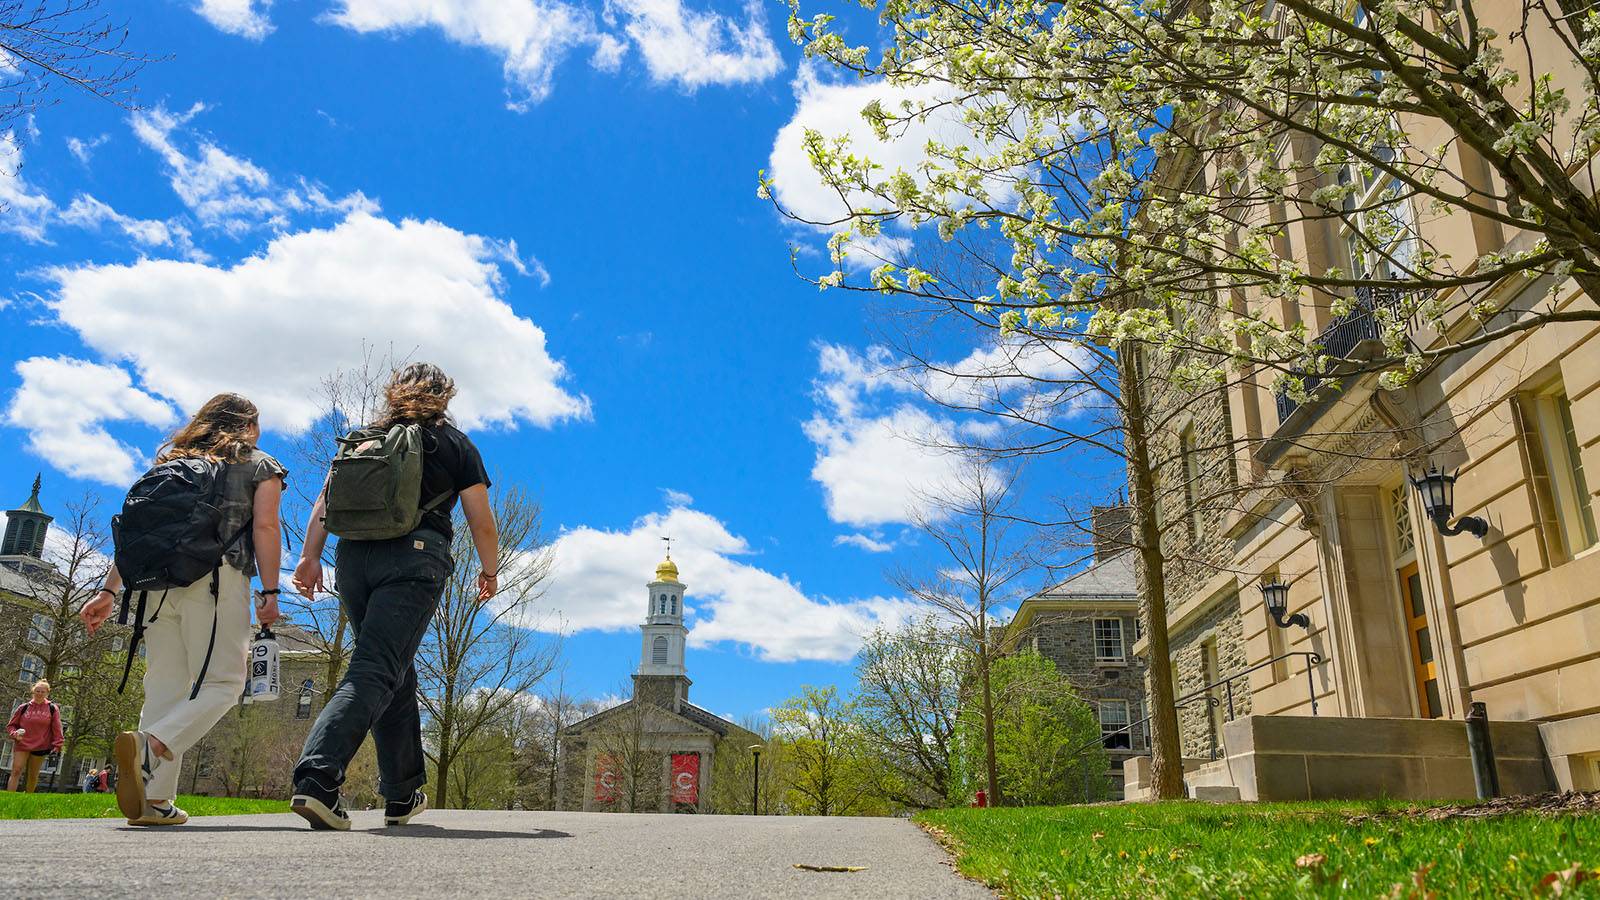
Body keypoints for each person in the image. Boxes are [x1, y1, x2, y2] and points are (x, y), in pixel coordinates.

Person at [290, 363, 498, 830]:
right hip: (414, 557)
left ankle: (402, 793)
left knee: (393, 667)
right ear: (445, 396)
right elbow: (480, 519)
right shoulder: (454, 443)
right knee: (375, 667)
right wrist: (490, 570)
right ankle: (317, 778)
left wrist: (309, 558)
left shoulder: (362, 438)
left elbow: (324, 503)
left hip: (353, 562)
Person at [80, 393, 285, 826]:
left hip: (156, 586)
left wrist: (109, 592)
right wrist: (270, 592)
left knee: (165, 688)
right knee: (226, 683)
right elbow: (266, 527)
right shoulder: (259, 464)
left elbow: (140, 536)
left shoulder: (168, 465)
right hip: (216, 580)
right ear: (249, 425)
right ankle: (152, 746)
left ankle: (153, 801)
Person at [5, 680, 63, 791]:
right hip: (22, 743)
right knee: (16, 770)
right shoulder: (23, 707)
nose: (39, 693)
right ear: (33, 692)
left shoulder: (52, 708)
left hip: (41, 745)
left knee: (33, 775)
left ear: (47, 693)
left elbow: (57, 727)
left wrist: (57, 744)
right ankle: (10, 796)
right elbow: (11, 726)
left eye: (42, 691)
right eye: (37, 691)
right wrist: (15, 734)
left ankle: (29, 797)